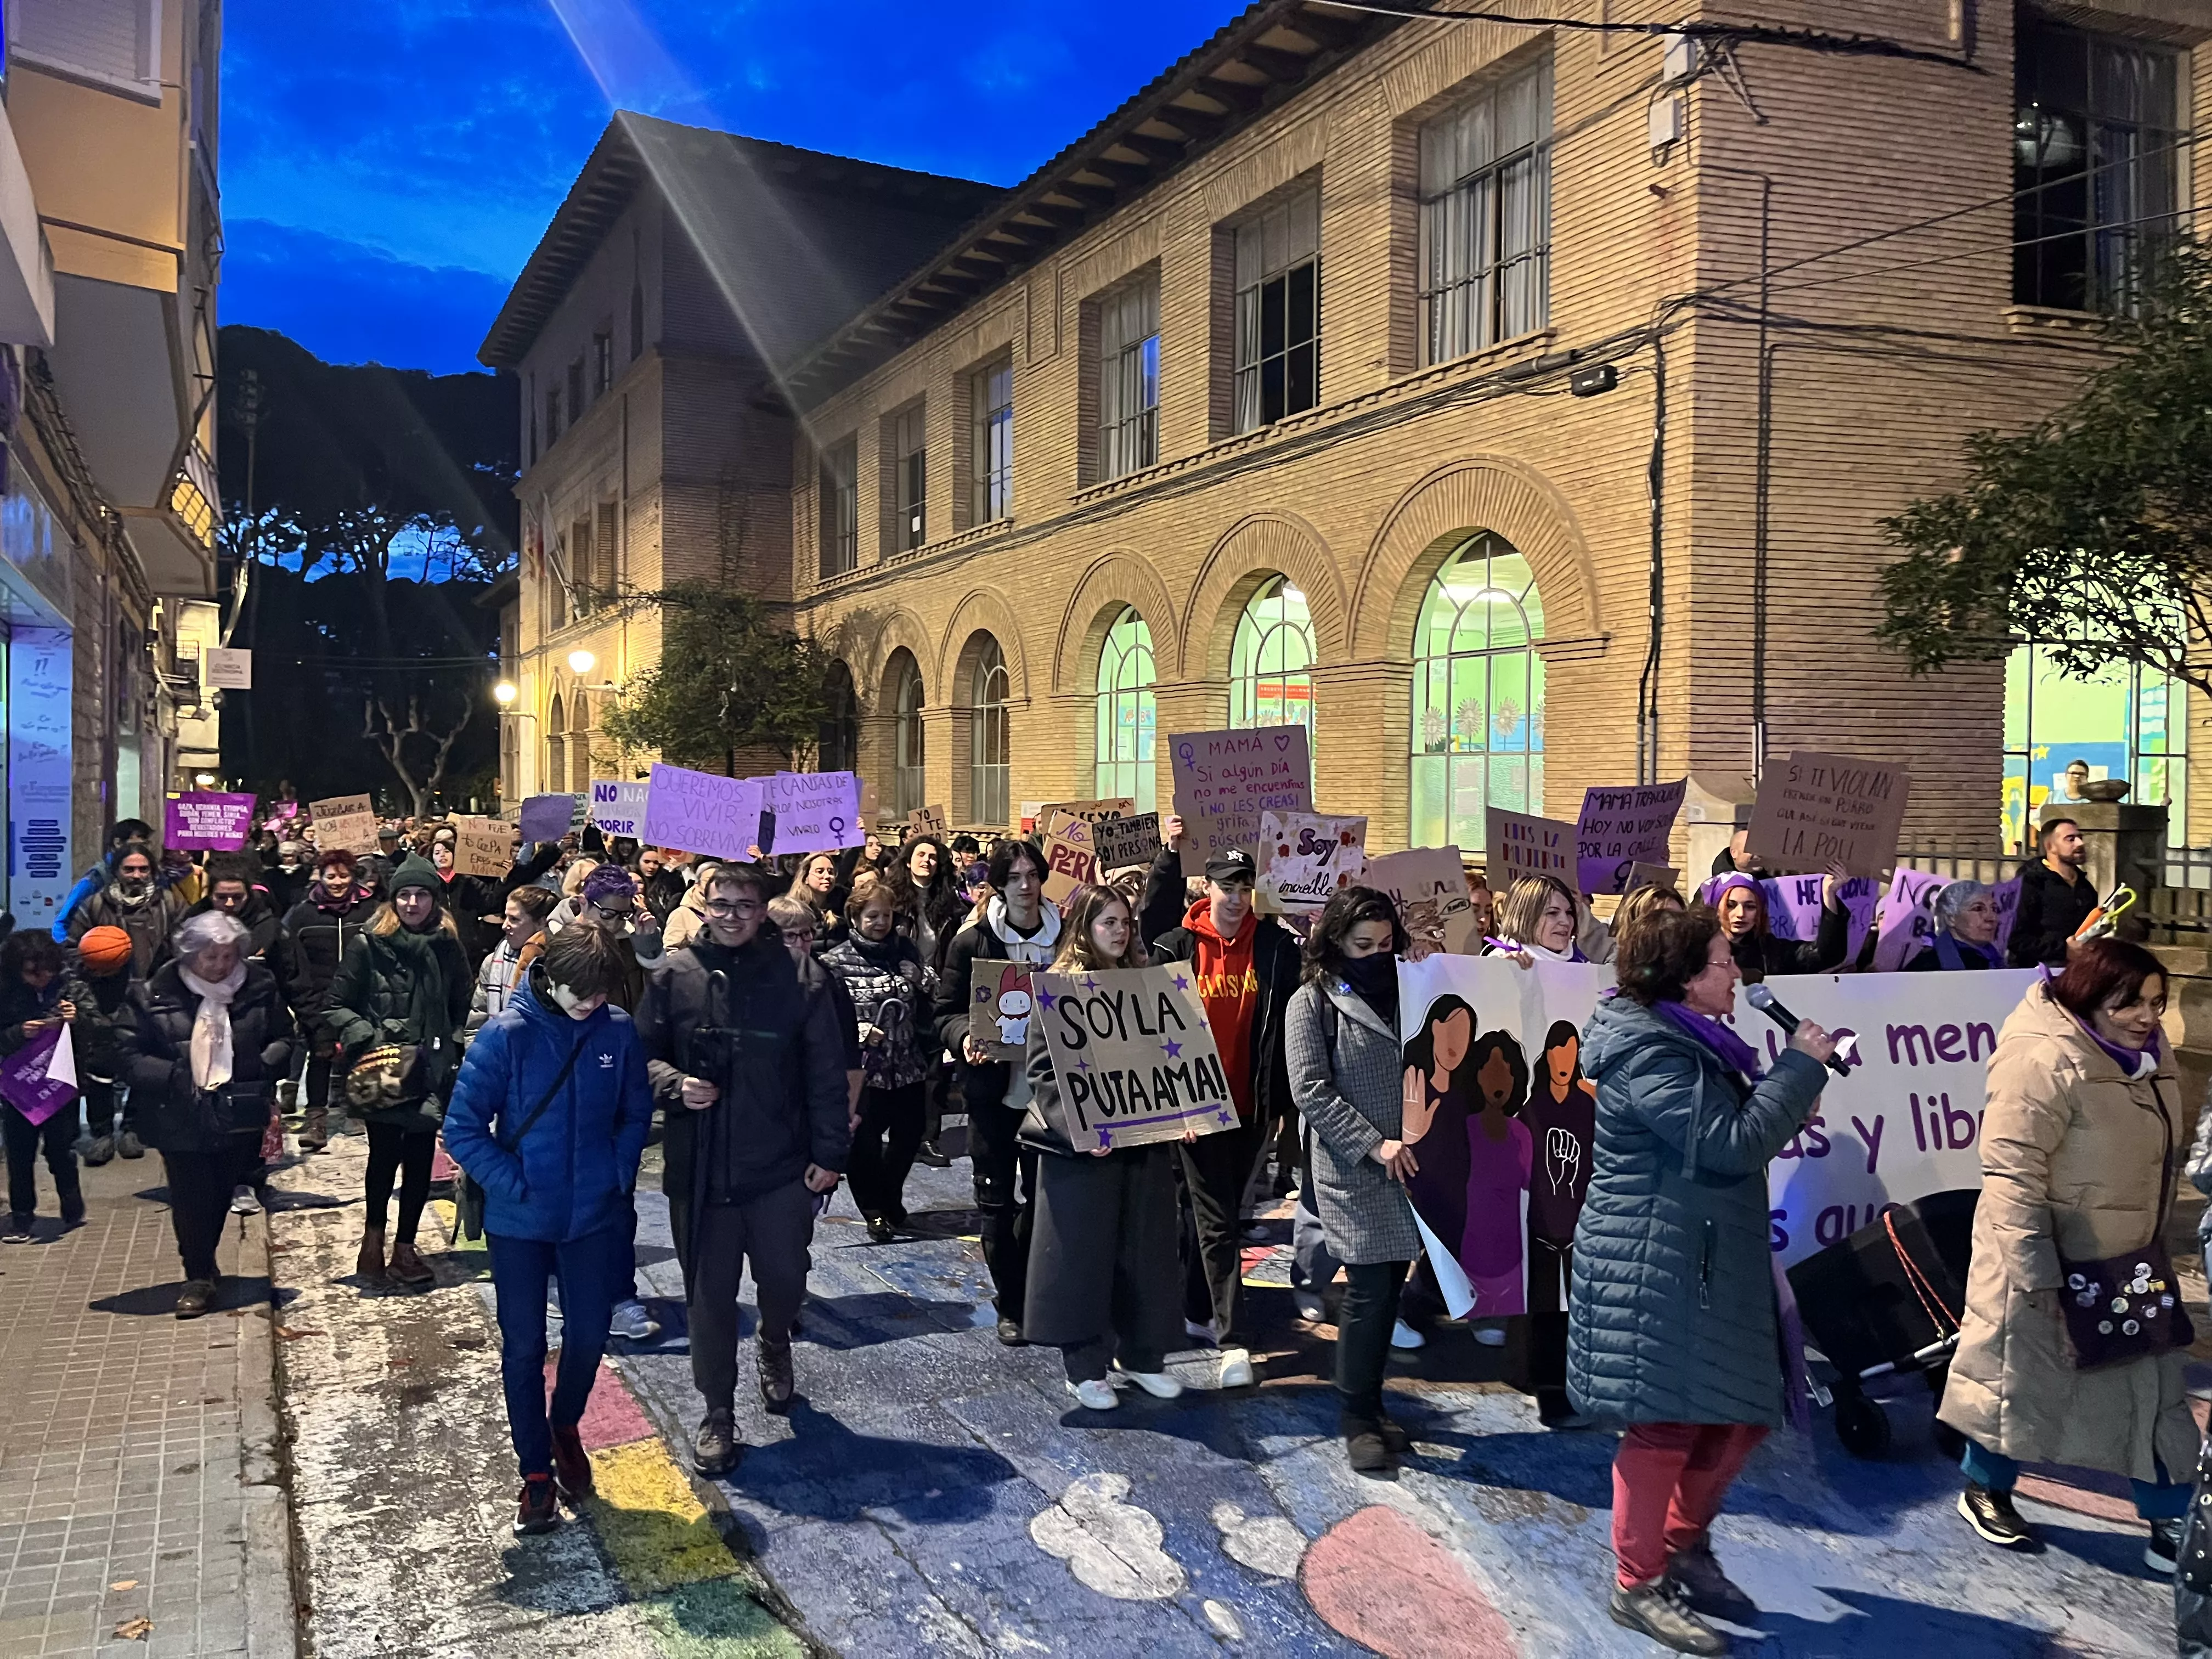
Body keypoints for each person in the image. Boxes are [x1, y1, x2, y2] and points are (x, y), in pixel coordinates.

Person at [1568, 907, 1835, 1654]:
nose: (1738, 974)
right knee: (1666, 1424)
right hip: (1654, 1265)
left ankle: (1681, 1544)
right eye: (1723, 962)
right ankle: (1638, 1582)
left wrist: (1784, 1093)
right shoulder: (1648, 1053)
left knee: (1740, 1415)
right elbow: (1727, 1143)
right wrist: (1798, 1067)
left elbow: (1737, 1128)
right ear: (1685, 980)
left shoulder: (1695, 1041)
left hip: (1705, 1259)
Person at [1940, 936, 2195, 1573]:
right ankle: (1986, 1486)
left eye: (2157, 1002)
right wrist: (2035, 1273)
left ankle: (2172, 1519)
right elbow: (2009, 1172)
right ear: (2088, 997)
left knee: (2154, 1388)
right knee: (2021, 1383)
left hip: (2128, 1258)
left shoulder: (2149, 1052)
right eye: (2129, 1002)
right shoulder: (2041, 1060)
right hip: (2046, 1257)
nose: (2147, 1016)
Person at [635, 864, 848, 1478]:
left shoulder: (802, 977)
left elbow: (827, 1075)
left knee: (785, 1280)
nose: (731, 916)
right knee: (709, 1300)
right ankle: (718, 1411)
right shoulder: (672, 977)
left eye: (745, 906)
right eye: (720, 904)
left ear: (764, 910)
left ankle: (775, 1340)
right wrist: (673, 1084)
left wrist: (830, 1155)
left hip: (779, 1167)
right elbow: (639, 1058)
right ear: (701, 905)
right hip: (701, 1174)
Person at [442, 922, 653, 1536]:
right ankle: (535, 1474)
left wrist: (616, 1170)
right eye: (579, 993)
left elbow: (635, 1110)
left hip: (592, 1216)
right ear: (548, 977)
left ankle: (565, 1424)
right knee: (525, 1347)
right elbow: (462, 1128)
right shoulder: (505, 1036)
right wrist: (516, 1185)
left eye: (599, 993)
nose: (591, 1004)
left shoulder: (616, 1030)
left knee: (590, 1336)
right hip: (520, 1226)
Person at [1137, 825, 1300, 1389]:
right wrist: (1165, 853)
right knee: (1218, 1220)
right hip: (1195, 1108)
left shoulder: (1276, 948)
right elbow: (1146, 926)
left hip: (1253, 1107)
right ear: (1205, 888)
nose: (1235, 897)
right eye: (1225, 886)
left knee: (1219, 1214)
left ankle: (1195, 1310)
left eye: (1244, 886)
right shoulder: (1175, 947)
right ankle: (1234, 1340)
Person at [1020, 883, 1186, 1411]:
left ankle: (1140, 1356)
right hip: (1085, 1153)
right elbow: (1043, 1074)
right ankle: (1085, 1367)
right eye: (1108, 922)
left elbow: (1167, 1061)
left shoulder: (1143, 984)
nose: (1119, 932)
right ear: (1084, 928)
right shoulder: (1061, 989)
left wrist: (1184, 1111)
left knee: (1144, 1253)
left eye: (1125, 922)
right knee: (1084, 1259)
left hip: (1142, 1145)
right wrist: (1081, 1131)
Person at [1282, 885, 1425, 1473]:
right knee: (1368, 1288)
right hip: (1354, 1168)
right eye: (1364, 944)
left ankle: (1373, 1402)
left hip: (1411, 1164)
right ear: (1336, 941)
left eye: (1386, 943)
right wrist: (1372, 1143)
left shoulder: (1414, 989)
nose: (1376, 954)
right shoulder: (1311, 1002)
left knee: (1392, 1284)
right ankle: (1357, 1417)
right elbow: (1310, 1089)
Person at [117, 911, 296, 1316]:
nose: (220, 967)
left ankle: (206, 1263)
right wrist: (175, 1075)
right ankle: (198, 1275)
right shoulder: (153, 994)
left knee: (221, 1191)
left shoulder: (259, 987)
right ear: (190, 955)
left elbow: (284, 1037)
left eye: (229, 957)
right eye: (210, 958)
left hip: (240, 1109)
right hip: (180, 1113)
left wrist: (262, 1067)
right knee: (191, 1197)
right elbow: (126, 1054)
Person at [933, 838, 1062, 1345]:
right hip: (993, 1095)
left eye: (1033, 875)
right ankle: (1010, 1304)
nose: (1026, 886)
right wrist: (965, 1036)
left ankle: (1034, 1295)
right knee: (996, 1204)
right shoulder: (974, 942)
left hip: (1049, 1097)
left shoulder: (1066, 937)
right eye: (1015, 878)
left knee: (1041, 1202)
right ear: (999, 884)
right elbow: (943, 1011)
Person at [325, 852, 473, 1289]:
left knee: (420, 1159)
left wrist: (455, 1043)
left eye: (421, 895)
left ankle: (404, 1249)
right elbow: (335, 1005)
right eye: (404, 895)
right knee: (384, 1155)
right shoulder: (368, 943)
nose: (412, 904)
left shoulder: (449, 946)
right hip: (384, 1069)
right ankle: (373, 1238)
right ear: (392, 900)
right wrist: (370, 1036)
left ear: (435, 900)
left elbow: (461, 1002)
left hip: (430, 1067)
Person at [821, 871, 934, 1243]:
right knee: (865, 1146)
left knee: (909, 1136)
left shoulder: (905, 950)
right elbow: (826, 1019)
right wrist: (858, 1033)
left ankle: (891, 1196)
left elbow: (927, 992)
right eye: (872, 916)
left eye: (886, 915)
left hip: (907, 1066)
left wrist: (922, 979)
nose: (880, 923)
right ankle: (874, 1210)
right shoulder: (835, 963)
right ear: (855, 918)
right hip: (864, 1073)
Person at [280, 849, 381, 1153]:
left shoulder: (370, 910)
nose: (338, 882)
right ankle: (317, 1120)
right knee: (320, 1055)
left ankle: (356, 1110)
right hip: (318, 999)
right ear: (320, 877)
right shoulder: (302, 913)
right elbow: (290, 958)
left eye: (344, 876)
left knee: (359, 1053)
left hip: (360, 998)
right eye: (331, 876)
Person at [1524, 1019, 1597, 1429]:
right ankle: (1550, 1392)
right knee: (1546, 1313)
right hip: (1542, 1226)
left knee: (1580, 1312)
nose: (1564, 1060)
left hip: (1582, 1225)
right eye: (1558, 1050)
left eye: (1571, 1052)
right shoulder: (1531, 1108)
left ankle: (1579, 1388)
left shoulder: (1588, 1107)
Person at [0, 932, 91, 1242]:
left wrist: (78, 1019)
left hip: (60, 1083)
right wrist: (16, 1034)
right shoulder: (6, 992)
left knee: (61, 1149)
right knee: (20, 1152)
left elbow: (104, 1032)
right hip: (18, 1086)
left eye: (47, 971)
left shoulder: (71, 987)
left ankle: (72, 1204)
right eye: (32, 973)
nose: (42, 979)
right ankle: (22, 1217)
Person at [889, 836, 964, 1170]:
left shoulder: (949, 903)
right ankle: (898, 1133)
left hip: (935, 993)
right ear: (908, 861)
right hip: (900, 993)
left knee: (935, 1068)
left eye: (933, 857)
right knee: (900, 1065)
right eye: (920, 855)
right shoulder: (892, 899)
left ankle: (928, 1138)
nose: (927, 861)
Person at [1702, 870, 1848, 984]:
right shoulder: (1697, 949)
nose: (1740, 914)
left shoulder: (1772, 950)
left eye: (1750, 907)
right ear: (1715, 909)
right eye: (1731, 906)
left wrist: (1828, 894)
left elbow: (1824, 956)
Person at [66, 843, 187, 980]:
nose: (137, 875)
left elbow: (188, 945)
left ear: (152, 872)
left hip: (157, 990)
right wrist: (93, 967)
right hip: (107, 990)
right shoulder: (96, 905)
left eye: (144, 869)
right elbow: (71, 948)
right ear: (116, 871)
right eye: (129, 870)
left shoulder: (171, 903)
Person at [73, 925, 141, 1165]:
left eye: (102, 969)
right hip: (94, 1030)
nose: (97, 972)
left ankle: (132, 1129)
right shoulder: (77, 969)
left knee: (140, 1078)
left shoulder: (138, 968)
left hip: (131, 1023)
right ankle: (102, 1134)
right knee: (97, 1079)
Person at [466, 886, 557, 1042]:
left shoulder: (559, 967)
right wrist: (476, 1058)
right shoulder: (492, 962)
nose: (504, 926)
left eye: (514, 919)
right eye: (505, 917)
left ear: (542, 922)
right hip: (495, 1056)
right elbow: (477, 1022)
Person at [2008, 817, 2097, 969]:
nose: (2080, 844)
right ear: (2050, 846)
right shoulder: (2030, 882)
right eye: (2070, 839)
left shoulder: (2085, 888)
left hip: (2077, 973)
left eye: (2080, 838)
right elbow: (2014, 938)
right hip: (2035, 974)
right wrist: (2063, 951)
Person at [1905, 879, 2004, 971]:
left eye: (1994, 909)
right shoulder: (1928, 965)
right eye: (1978, 909)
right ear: (1951, 918)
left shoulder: (1996, 959)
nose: (1992, 918)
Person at [786, 853, 844, 936]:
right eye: (820, 872)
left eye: (831, 872)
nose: (827, 876)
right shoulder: (793, 909)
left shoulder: (844, 902)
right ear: (806, 878)